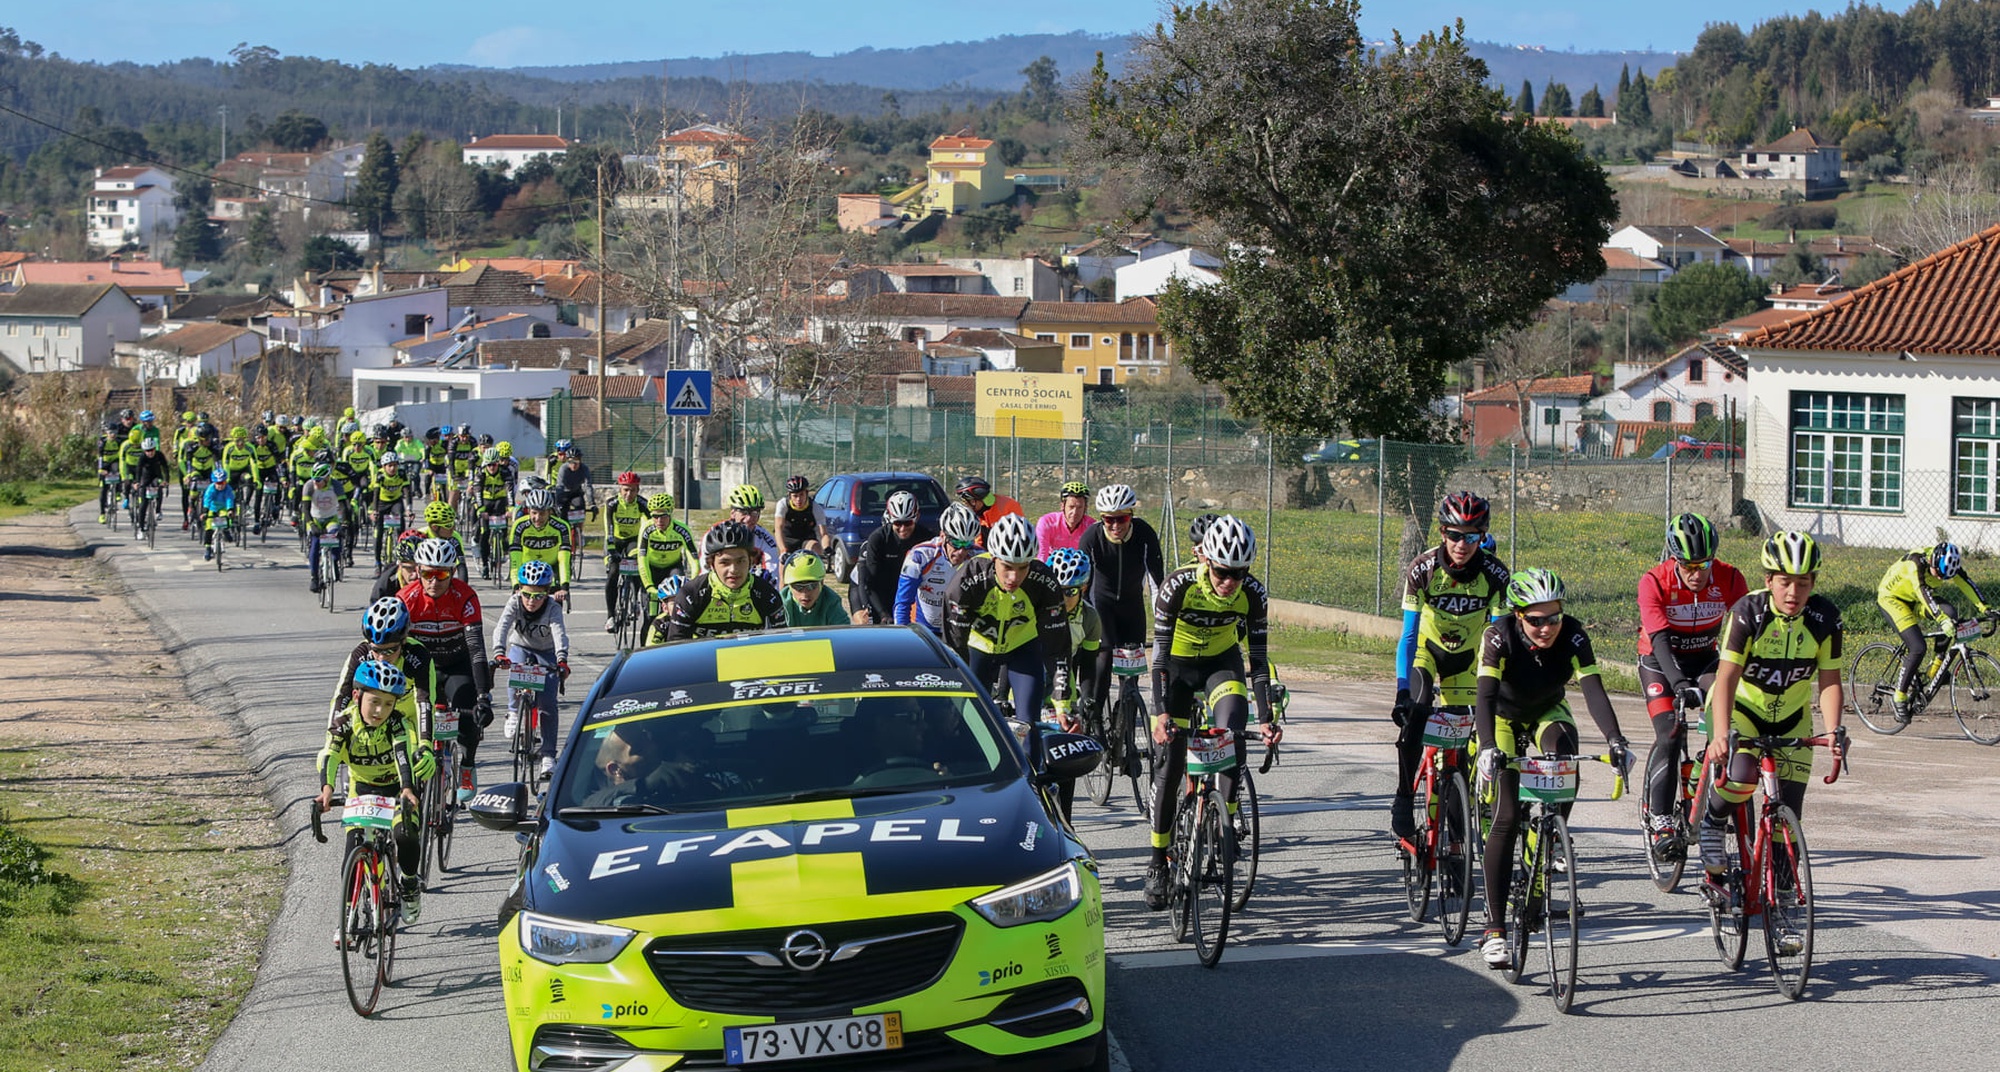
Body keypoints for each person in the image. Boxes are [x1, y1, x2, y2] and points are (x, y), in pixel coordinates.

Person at [1473, 568, 1632, 969]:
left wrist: (1616, 740)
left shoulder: (1575, 635)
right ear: (1518, 615)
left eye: (1554, 617)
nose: (1547, 628)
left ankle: (1548, 843)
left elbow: (1594, 691)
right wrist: (1489, 747)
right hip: (1504, 717)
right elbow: (1485, 698)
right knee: (1507, 815)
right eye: (1536, 620)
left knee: (1564, 750)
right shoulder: (1498, 636)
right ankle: (1493, 928)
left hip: (1546, 710)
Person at [1698, 532, 1848, 919]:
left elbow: (1829, 682)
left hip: (1792, 716)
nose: (1793, 591)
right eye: (1785, 582)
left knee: (1788, 812)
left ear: (1813, 583)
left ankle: (1782, 903)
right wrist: (1718, 736)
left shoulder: (1826, 618)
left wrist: (1833, 731)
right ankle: (1713, 822)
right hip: (1742, 709)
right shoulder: (1748, 613)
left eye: (1803, 583)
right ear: (1769, 581)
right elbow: (1727, 677)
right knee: (1743, 774)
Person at [1142, 516, 1281, 910]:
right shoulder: (1177, 586)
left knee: (1232, 734)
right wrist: (1159, 713)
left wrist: (1267, 717)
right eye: (1223, 572)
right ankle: (1157, 862)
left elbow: (1257, 660)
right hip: (1178, 670)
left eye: (1239, 573)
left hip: (1222, 665)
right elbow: (1159, 657)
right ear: (1207, 562)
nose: (1230, 582)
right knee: (1169, 766)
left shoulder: (1252, 594)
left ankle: (1225, 826)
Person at [1390, 491, 1511, 841]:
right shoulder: (1422, 569)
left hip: (1467, 660)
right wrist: (1402, 690)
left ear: (1482, 536)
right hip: (1427, 652)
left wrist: (1503, 685)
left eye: (1471, 535)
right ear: (1442, 533)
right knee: (1416, 712)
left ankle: (1457, 844)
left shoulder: (1495, 574)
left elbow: (1501, 636)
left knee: (1459, 748)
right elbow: (1409, 637)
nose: (1462, 543)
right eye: (1455, 534)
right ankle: (1403, 795)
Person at [1637, 513, 1748, 856]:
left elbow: (1749, 629)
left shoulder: (1730, 578)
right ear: (1674, 559)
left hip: (1704, 659)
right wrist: (1679, 684)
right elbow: (1658, 642)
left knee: (1726, 725)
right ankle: (1659, 820)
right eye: (1688, 566)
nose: (1697, 574)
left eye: (1704, 565)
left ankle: (1702, 773)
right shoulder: (1654, 581)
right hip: (1661, 663)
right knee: (1669, 732)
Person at [315, 659, 435, 923]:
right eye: (374, 701)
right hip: (362, 790)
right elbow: (330, 754)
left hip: (397, 788)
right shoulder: (344, 722)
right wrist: (327, 789)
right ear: (357, 696)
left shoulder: (398, 724)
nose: (381, 710)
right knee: (352, 849)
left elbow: (402, 753)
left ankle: (410, 884)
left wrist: (407, 787)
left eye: (389, 703)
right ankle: (348, 914)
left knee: (405, 834)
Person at [944, 514, 1070, 732]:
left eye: (1023, 567)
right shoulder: (967, 580)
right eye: (1008, 567)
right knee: (967, 724)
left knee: (1027, 727)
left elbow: (1058, 649)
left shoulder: (1044, 582)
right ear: (994, 559)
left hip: (1022, 648)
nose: (1014, 577)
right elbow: (955, 648)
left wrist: (1062, 706)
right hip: (977, 649)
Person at [398, 539, 494, 801]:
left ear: (452, 572)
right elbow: (394, 648)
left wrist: (483, 697)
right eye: (428, 573)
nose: (434, 581)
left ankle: (468, 764)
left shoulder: (466, 597)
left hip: (457, 664)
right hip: (420, 667)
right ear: (417, 571)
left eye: (441, 574)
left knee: (467, 708)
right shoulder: (405, 599)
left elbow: (476, 649)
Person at [1876, 540, 1992, 721]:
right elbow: (1923, 591)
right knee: (1917, 647)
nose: (1939, 578)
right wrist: (1941, 619)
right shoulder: (1916, 563)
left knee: (1951, 614)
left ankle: (1934, 671)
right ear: (1933, 561)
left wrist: (1986, 609)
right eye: (1938, 573)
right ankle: (1899, 696)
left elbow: (1967, 583)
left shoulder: (1946, 566)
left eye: (1945, 577)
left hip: (1916, 600)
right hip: (1894, 599)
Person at [1079, 483, 1165, 719]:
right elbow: (1082, 585)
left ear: (1131, 515)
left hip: (1132, 608)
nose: (1116, 525)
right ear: (1101, 519)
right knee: (1104, 661)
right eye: (1109, 520)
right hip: (1101, 606)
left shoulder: (1145, 534)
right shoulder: (1091, 538)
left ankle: (1125, 728)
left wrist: (1163, 618)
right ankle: (1093, 721)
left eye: (1122, 519)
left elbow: (1157, 582)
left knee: (1130, 676)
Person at [492, 561, 572, 780]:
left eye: (538, 596)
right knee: (516, 674)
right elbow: (502, 627)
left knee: (548, 703)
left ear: (547, 593)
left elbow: (559, 633)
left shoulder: (553, 608)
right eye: (527, 594)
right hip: (521, 646)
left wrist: (561, 660)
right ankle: (513, 711)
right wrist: (499, 652)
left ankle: (548, 756)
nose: (531, 601)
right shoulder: (514, 603)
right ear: (519, 590)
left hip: (547, 652)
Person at [1044, 548, 1103, 821]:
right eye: (1058, 589)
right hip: (1029, 683)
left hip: (1062, 688)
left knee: (1063, 756)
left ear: (1084, 588)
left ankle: (1065, 824)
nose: (1063, 597)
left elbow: (1089, 665)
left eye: (1071, 592)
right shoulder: (1038, 607)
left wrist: (1090, 702)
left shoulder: (1089, 617)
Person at [655, 521, 786, 643]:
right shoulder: (690, 594)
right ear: (712, 564)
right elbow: (677, 648)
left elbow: (781, 645)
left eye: (741, 561)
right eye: (725, 562)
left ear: (751, 561)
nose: (734, 570)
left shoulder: (767, 595)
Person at [329, 597, 436, 738]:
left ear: (403, 641)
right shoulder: (360, 655)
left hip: (410, 717)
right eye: (376, 650)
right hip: (373, 715)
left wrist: (425, 743)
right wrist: (332, 738)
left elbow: (425, 702)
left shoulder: (417, 655)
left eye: (390, 651)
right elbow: (342, 697)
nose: (381, 658)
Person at [895, 503, 980, 635]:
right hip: (924, 629)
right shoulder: (920, 556)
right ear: (942, 536)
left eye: (968, 544)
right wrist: (902, 636)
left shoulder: (979, 558)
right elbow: (902, 602)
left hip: (963, 630)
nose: (961, 552)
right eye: (957, 543)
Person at [850, 491, 934, 624]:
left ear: (916, 517)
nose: (902, 528)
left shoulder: (925, 538)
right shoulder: (878, 539)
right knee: (867, 622)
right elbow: (868, 584)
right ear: (890, 519)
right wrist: (883, 614)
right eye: (897, 523)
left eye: (908, 523)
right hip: (869, 586)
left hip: (901, 586)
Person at [635, 493, 699, 640]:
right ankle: (645, 651)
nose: (659, 521)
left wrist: (693, 584)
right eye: (655, 516)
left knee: (679, 610)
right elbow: (642, 559)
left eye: (663, 516)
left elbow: (694, 560)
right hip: (652, 569)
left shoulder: (681, 530)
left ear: (670, 514)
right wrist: (648, 585)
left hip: (672, 568)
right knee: (650, 616)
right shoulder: (647, 529)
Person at [600, 472, 649, 632]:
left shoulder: (643, 504)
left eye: (633, 490)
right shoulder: (612, 504)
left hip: (633, 540)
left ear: (638, 490)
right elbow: (609, 528)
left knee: (637, 564)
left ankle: (634, 602)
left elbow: (650, 526)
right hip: (615, 540)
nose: (629, 494)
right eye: (626, 490)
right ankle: (610, 616)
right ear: (620, 489)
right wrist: (612, 549)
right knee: (613, 572)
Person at [508, 488, 574, 605]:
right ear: (528, 510)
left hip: (551, 570)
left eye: (542, 513)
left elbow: (564, 560)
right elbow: (515, 560)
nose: (538, 518)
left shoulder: (562, 527)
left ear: (550, 511)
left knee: (555, 609)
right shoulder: (519, 526)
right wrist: (516, 586)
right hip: (527, 570)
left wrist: (564, 587)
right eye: (534, 513)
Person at [301, 465, 351, 593]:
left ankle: (335, 561)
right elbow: (305, 509)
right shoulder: (309, 486)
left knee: (336, 536)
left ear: (327, 478)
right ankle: (314, 578)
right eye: (313, 479)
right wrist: (312, 525)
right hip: (314, 519)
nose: (315, 482)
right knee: (315, 545)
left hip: (331, 518)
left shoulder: (336, 485)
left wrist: (344, 524)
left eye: (318, 480)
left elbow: (344, 506)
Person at [714, 484, 782, 574]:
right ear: (733, 513)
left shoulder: (765, 539)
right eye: (744, 512)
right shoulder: (714, 534)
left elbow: (773, 574)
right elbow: (704, 571)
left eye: (754, 512)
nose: (749, 518)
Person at [780, 550, 850, 627]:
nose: (805, 594)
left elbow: (844, 632)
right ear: (789, 586)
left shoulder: (831, 601)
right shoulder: (780, 603)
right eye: (798, 587)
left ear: (822, 583)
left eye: (811, 586)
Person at [954, 475, 1024, 545]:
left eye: (966, 502)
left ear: (973, 501)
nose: (966, 506)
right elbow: (978, 543)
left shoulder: (1008, 506)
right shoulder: (975, 513)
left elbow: (1021, 535)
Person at [1035, 481, 1096, 558]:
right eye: (1071, 507)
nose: (1075, 512)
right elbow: (1042, 554)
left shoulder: (1092, 527)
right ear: (1062, 506)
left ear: (1085, 508)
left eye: (1079, 507)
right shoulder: (1047, 522)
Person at [775, 475, 832, 556]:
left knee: (816, 547)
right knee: (783, 564)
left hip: (807, 540)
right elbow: (778, 529)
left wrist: (827, 548)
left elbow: (823, 534)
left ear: (807, 493)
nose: (798, 499)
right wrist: (783, 550)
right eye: (795, 496)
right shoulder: (782, 504)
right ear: (789, 496)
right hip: (788, 541)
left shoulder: (816, 507)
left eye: (801, 494)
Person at [200, 467, 237, 562]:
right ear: (214, 482)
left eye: (223, 483)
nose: (221, 486)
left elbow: (229, 499)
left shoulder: (228, 489)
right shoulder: (210, 489)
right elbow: (207, 501)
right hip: (212, 508)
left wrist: (230, 510)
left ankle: (226, 530)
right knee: (208, 527)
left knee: (226, 519)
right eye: (218, 483)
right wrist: (205, 512)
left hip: (223, 507)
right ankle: (208, 548)